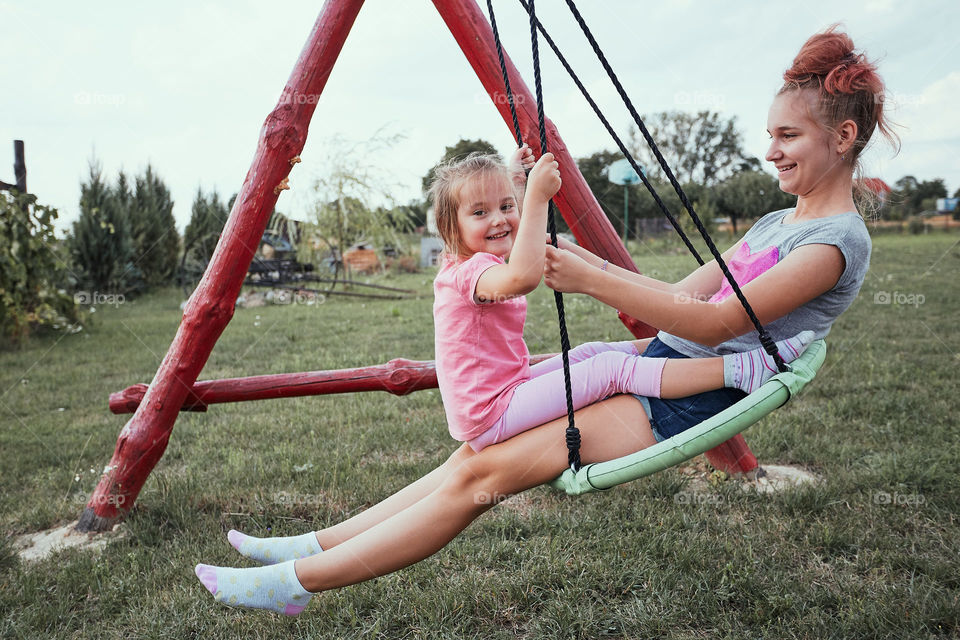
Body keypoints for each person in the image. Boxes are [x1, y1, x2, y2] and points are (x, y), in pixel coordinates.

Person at [194, 26, 896, 615]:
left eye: (788, 136)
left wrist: (590, 277)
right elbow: (684, 292)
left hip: (696, 392)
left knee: (481, 478)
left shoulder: (834, 243)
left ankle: (295, 586)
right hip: (660, 365)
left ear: (843, 135)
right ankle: (318, 544)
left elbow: (715, 326)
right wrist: (589, 265)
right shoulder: (781, 219)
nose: (770, 150)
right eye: (770, 133)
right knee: (467, 457)